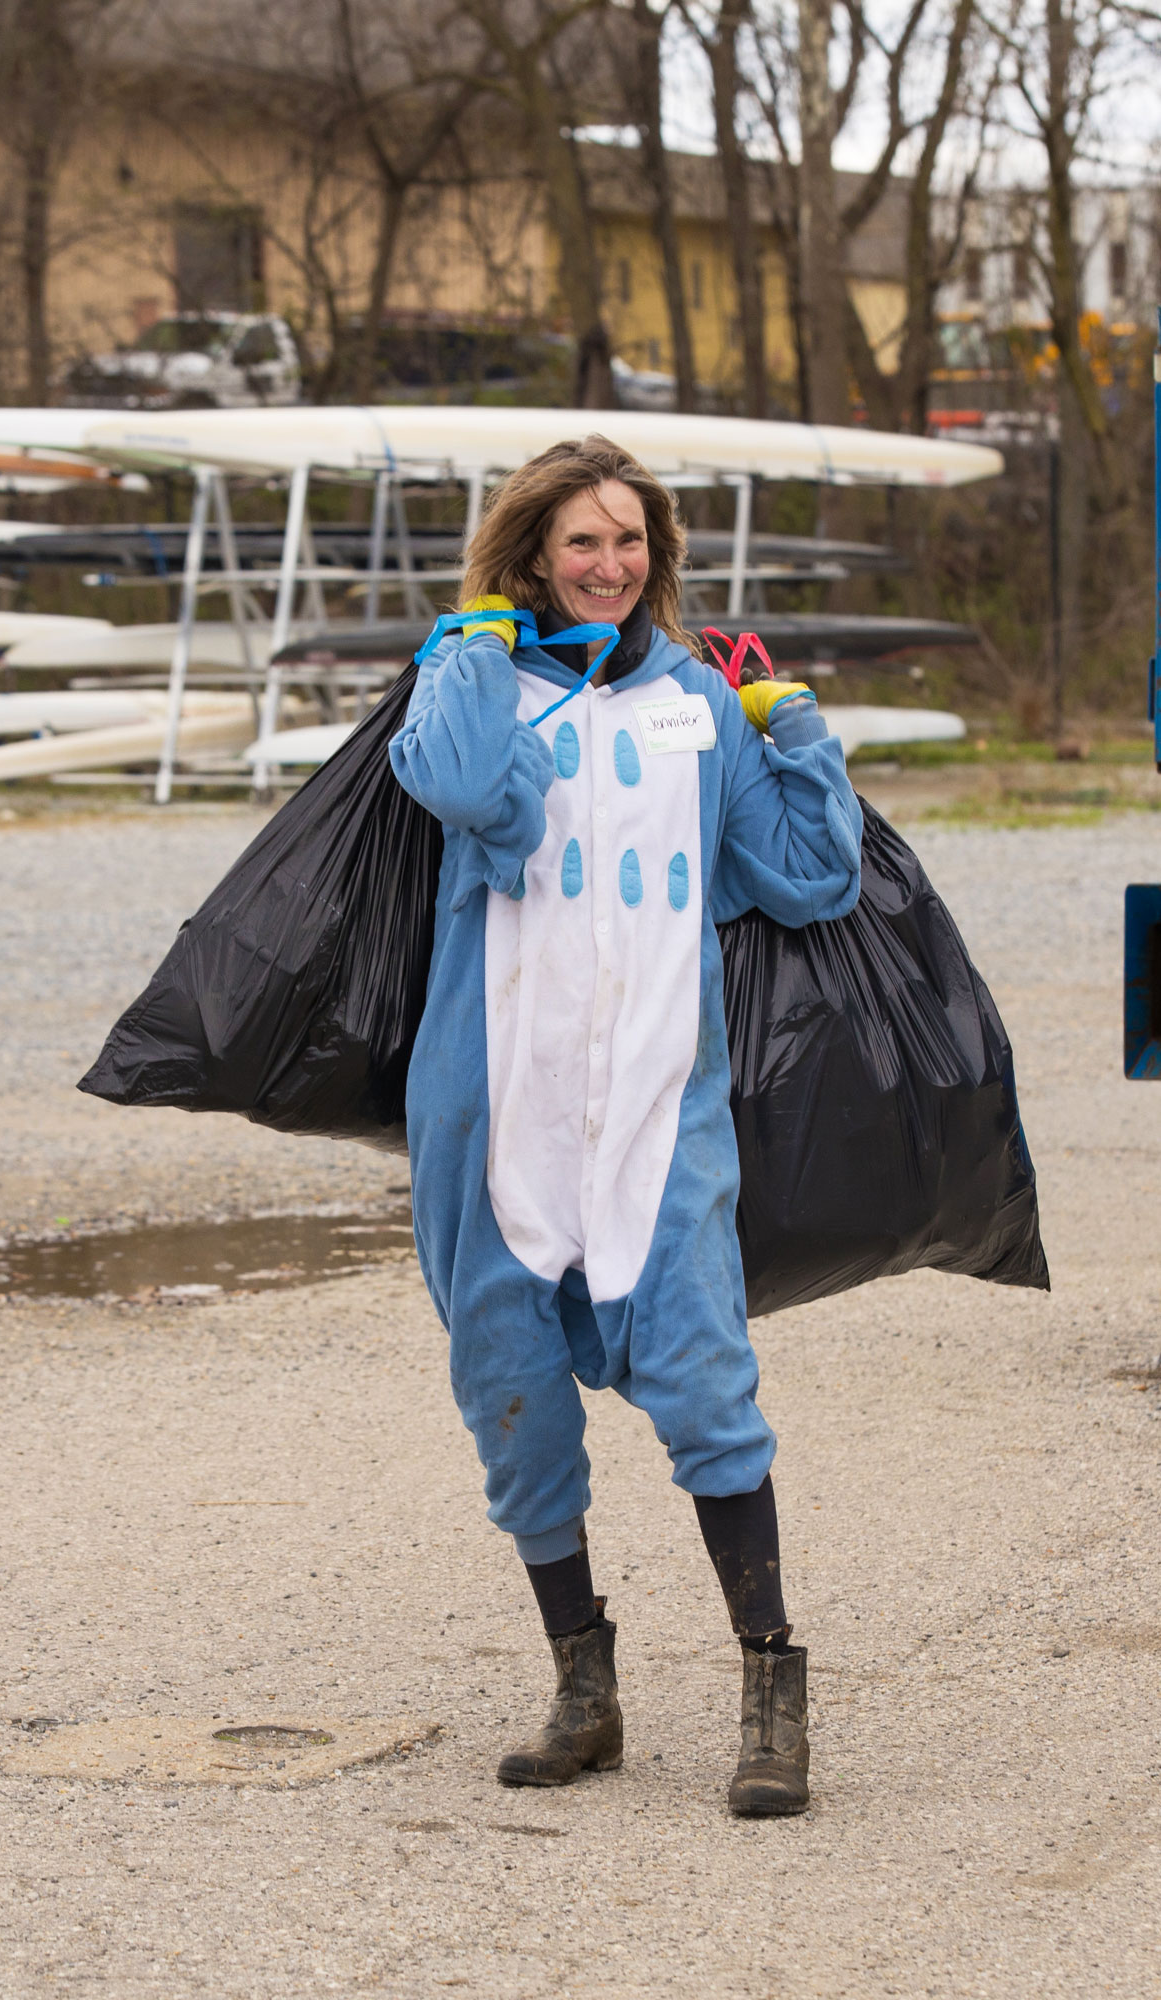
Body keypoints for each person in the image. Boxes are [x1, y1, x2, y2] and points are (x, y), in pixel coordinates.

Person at [389, 435, 862, 1815]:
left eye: (632, 543)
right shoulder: (469, 685)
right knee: (513, 1403)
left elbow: (808, 879)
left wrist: (793, 723)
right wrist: (474, 647)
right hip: (495, 1120)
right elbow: (473, 793)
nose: (609, 567)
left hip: (663, 1113)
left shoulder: (697, 708)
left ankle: (773, 1690)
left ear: (661, 558)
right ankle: (581, 1689)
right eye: (581, 543)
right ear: (534, 551)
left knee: (711, 1390)